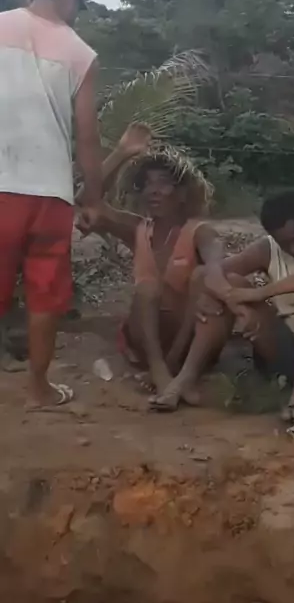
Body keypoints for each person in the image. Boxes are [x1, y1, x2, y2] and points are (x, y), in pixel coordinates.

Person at [151, 191, 294, 422]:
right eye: (285, 244)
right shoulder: (269, 248)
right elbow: (203, 274)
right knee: (230, 282)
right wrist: (229, 299)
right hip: (290, 351)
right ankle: (186, 378)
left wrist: (259, 293)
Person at [0, 0, 102, 407]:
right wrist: (94, 199)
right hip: (51, 195)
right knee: (44, 295)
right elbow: (87, 135)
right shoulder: (81, 53)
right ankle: (39, 389)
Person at [79, 124, 228, 402]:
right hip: (147, 338)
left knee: (202, 276)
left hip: (189, 339)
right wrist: (122, 153)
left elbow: (215, 256)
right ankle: (161, 372)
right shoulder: (137, 228)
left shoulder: (199, 231)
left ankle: (175, 370)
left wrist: (216, 276)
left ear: (182, 193)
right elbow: (87, 201)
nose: (153, 190)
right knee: (147, 288)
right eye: (147, 184)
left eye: (163, 183)